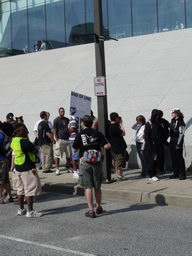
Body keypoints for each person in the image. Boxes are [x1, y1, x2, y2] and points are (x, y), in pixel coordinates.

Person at [73, 115, 111, 218]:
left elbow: (75, 149)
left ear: (83, 123)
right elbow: (107, 146)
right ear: (92, 122)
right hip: (97, 163)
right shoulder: (97, 133)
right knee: (97, 186)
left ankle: (91, 211)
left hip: (85, 163)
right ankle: (99, 207)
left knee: (88, 187)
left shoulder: (80, 134)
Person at [11, 124, 42, 217]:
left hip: (18, 167)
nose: (26, 132)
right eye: (24, 130)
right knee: (29, 190)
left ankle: (21, 209)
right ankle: (30, 211)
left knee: (20, 190)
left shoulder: (14, 141)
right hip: (27, 168)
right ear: (19, 131)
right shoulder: (23, 141)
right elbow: (34, 150)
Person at [142, 109, 162, 181]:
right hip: (150, 146)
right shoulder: (149, 124)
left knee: (155, 160)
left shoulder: (157, 123)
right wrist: (150, 145)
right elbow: (146, 136)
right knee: (150, 160)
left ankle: (153, 174)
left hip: (156, 145)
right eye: (157, 115)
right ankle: (151, 175)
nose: (158, 117)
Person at [109, 112, 127, 180]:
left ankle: (118, 174)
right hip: (118, 146)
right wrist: (121, 124)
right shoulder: (114, 126)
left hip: (114, 146)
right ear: (116, 118)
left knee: (116, 160)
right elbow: (123, 133)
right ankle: (119, 175)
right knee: (120, 160)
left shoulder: (110, 125)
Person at [169, 108, 186, 180]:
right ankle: (175, 173)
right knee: (173, 158)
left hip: (178, 141)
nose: (171, 114)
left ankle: (182, 174)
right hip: (172, 141)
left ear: (177, 113)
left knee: (179, 158)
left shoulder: (181, 122)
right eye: (172, 113)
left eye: (173, 113)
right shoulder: (172, 120)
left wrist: (178, 144)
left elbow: (181, 134)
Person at [53, 107, 71, 175]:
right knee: (58, 155)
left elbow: (69, 127)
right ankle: (57, 169)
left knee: (69, 155)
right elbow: (55, 130)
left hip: (67, 139)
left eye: (63, 111)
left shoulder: (67, 119)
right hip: (60, 139)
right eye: (61, 111)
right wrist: (56, 139)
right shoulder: (56, 120)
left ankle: (68, 167)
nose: (62, 112)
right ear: (59, 112)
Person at [0, 121, 13, 204]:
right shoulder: (3, 134)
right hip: (4, 159)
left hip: (1, 160)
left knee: (1, 180)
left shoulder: (0, 135)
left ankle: (0, 198)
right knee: (6, 179)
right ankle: (9, 196)